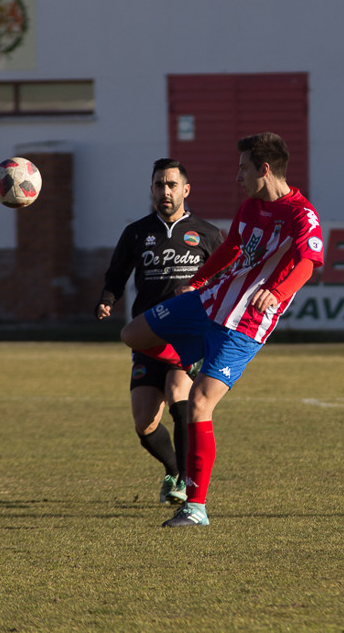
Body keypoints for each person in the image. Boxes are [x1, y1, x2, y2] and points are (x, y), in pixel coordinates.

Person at [120, 132, 324, 528]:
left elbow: (307, 262)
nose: (237, 176)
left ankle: (195, 507)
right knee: (133, 334)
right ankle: (191, 359)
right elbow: (231, 247)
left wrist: (277, 291)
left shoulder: (302, 214)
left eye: (243, 168)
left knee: (198, 404)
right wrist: (198, 280)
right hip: (209, 301)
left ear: (264, 169)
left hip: (244, 325)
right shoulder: (249, 207)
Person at [97, 158, 223, 506]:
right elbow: (117, 272)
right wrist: (107, 298)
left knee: (178, 392)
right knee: (144, 423)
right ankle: (172, 469)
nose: (164, 191)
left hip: (185, 336)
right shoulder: (137, 232)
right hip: (147, 336)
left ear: (186, 189)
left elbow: (226, 277)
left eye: (171, 185)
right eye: (158, 185)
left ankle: (185, 481)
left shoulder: (209, 233)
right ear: (151, 189)